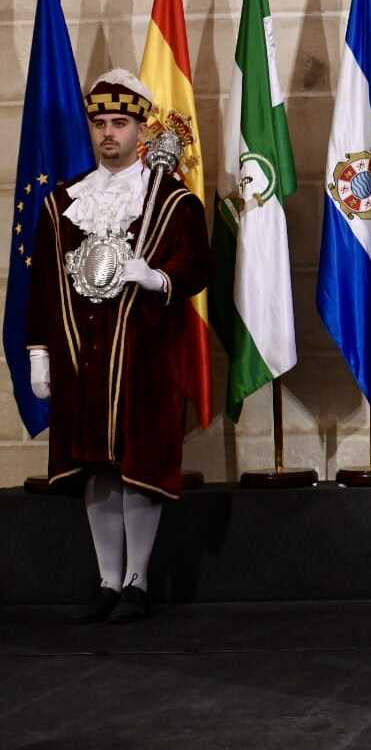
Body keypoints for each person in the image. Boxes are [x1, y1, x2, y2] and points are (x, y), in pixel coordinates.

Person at [26, 68, 210, 624]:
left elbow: (197, 264)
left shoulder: (172, 201)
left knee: (138, 466)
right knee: (96, 469)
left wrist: (156, 278)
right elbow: (41, 287)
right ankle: (107, 579)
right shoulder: (64, 203)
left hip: (145, 357)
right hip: (83, 356)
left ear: (140, 128)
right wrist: (40, 353)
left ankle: (138, 580)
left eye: (120, 123)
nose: (109, 133)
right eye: (101, 123)